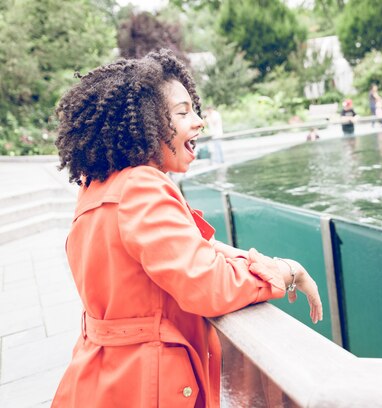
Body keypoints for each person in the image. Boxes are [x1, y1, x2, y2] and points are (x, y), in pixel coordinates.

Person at [51, 49, 323, 408]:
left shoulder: (96, 188)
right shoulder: (142, 186)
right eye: (183, 112)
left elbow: (189, 251)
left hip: (101, 381)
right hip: (148, 388)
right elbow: (208, 284)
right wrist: (284, 273)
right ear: (145, 122)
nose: (198, 121)